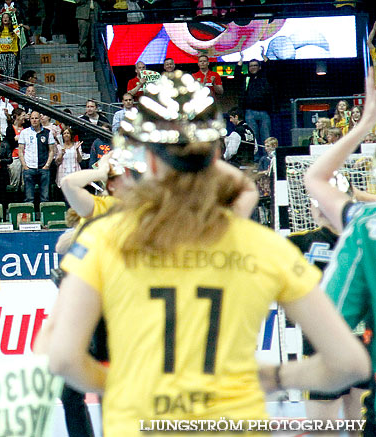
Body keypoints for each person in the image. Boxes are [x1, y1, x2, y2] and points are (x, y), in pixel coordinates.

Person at [45, 71, 369, 435]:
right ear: (216, 155)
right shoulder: (260, 245)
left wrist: (125, 384)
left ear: (148, 162)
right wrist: (274, 376)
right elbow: (349, 362)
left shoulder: (105, 238)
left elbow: (62, 357)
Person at [304, 68, 376, 434]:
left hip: (356, 341)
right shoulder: (303, 238)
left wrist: (364, 125)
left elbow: (315, 178)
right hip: (339, 344)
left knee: (352, 414)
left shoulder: (366, 225)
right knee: (325, 420)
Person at [288, 200, 372, 426]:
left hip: (329, 341)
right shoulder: (364, 238)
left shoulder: (299, 241)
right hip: (355, 339)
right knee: (354, 423)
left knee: (326, 426)